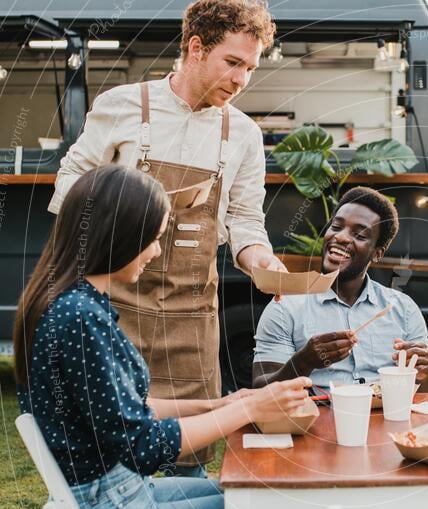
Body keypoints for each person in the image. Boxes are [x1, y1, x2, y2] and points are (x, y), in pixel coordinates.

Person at [16, 166, 320, 509]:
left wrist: (223, 403)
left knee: (268, 495)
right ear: (119, 235)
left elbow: (131, 408)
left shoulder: (74, 303)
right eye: (154, 239)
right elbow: (144, 447)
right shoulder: (78, 316)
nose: (158, 253)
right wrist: (248, 410)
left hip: (111, 504)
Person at [46, 0, 287, 478]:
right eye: (232, 63)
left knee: (190, 458)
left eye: (250, 68)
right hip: (115, 308)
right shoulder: (123, 105)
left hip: (191, 314)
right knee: (114, 446)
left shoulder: (243, 134)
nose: (241, 80)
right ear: (196, 49)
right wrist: (104, 224)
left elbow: (244, 219)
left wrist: (261, 260)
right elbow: (73, 176)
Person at [252, 186, 428, 393]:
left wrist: (424, 373)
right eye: (336, 227)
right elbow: (260, 391)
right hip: (319, 419)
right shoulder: (285, 307)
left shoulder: (403, 309)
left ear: (377, 253)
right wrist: (303, 362)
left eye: (360, 235)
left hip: (389, 418)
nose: (341, 237)